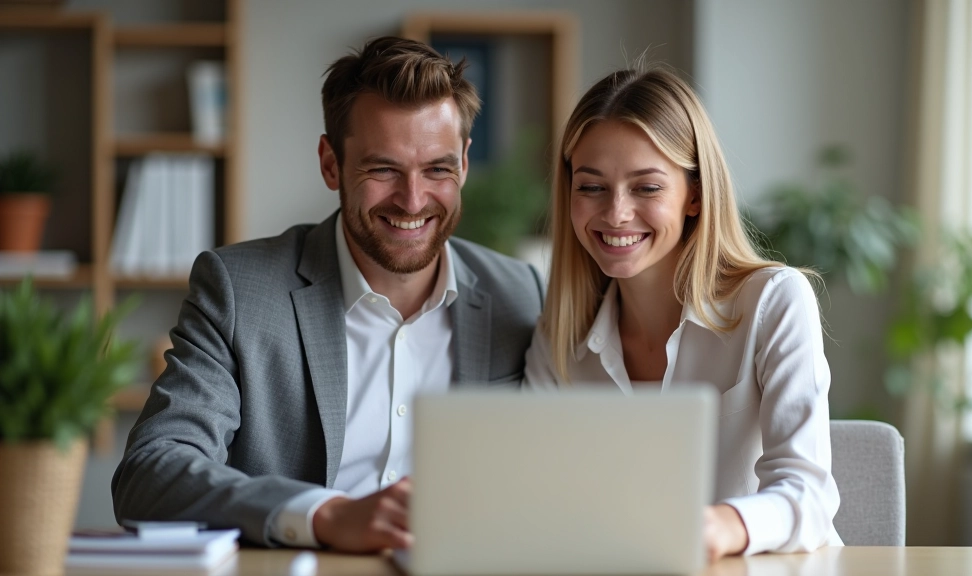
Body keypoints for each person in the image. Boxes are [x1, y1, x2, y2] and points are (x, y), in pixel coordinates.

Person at [112, 37, 544, 553]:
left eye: (437, 169)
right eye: (382, 169)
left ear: (465, 165)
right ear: (331, 163)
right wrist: (323, 515)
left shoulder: (520, 292)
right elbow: (150, 472)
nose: (412, 199)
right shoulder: (239, 291)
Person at [523, 66, 842, 561]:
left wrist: (719, 525)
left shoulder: (773, 300)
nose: (615, 213)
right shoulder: (560, 338)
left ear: (694, 194)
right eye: (591, 187)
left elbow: (809, 496)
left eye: (646, 188)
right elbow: (535, 501)